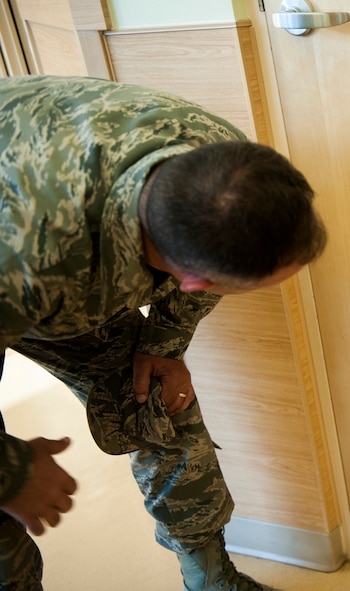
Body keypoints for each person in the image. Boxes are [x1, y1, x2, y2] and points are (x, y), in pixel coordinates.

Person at [0, 75, 327, 590]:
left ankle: (212, 580)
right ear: (192, 279)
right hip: (26, 251)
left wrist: (162, 344)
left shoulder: (223, 165)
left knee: (158, 399)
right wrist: (11, 472)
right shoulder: (30, 260)